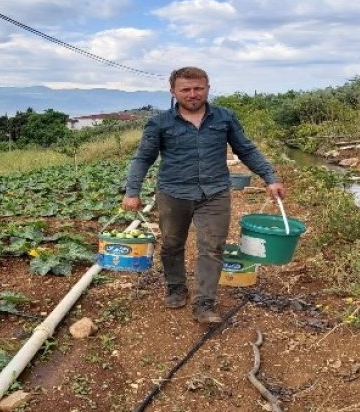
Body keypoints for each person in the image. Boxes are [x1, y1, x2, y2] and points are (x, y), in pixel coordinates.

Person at [122, 66, 286, 324]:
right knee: (172, 243)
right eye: (185, 89)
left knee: (212, 247)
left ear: (208, 88)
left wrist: (270, 177)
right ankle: (176, 286)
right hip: (173, 192)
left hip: (215, 193)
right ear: (173, 92)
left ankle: (204, 303)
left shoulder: (224, 118)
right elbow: (143, 158)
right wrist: (132, 191)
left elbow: (246, 149)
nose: (192, 94)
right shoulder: (160, 122)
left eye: (198, 88)